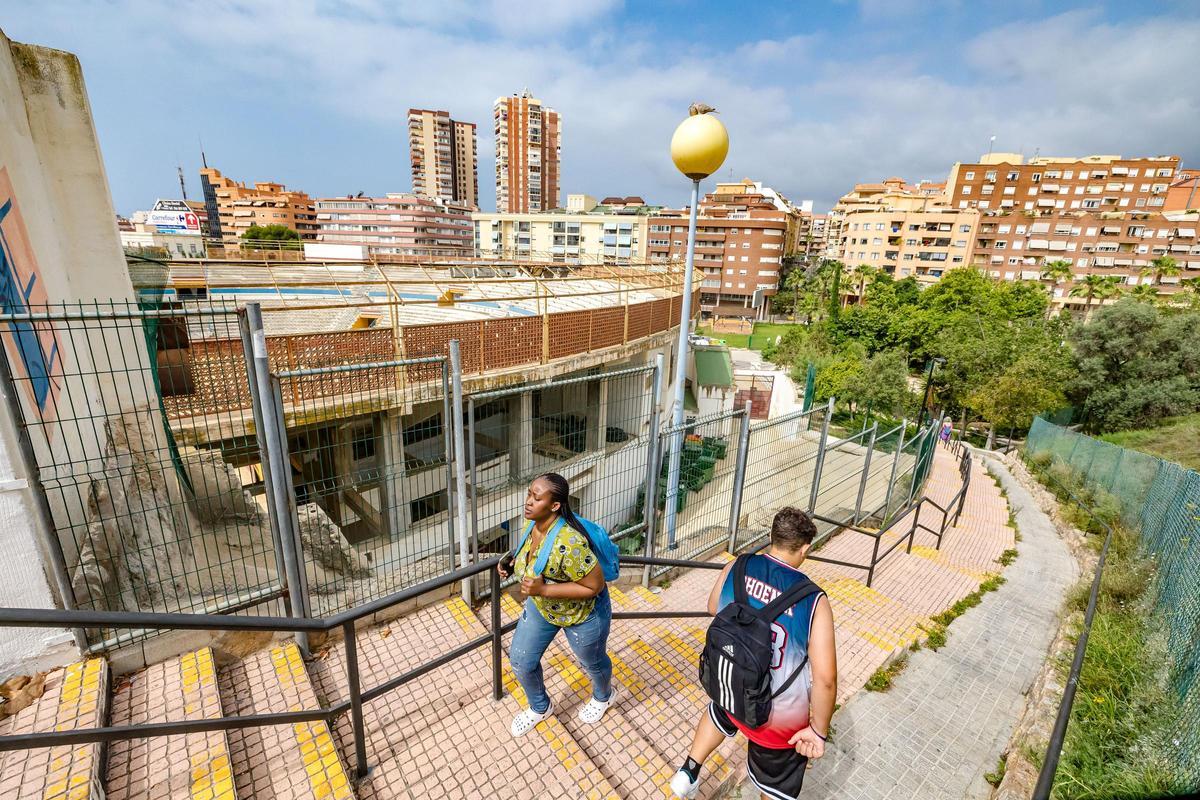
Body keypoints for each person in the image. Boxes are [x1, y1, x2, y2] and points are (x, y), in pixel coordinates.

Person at [670, 507, 837, 800]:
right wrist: (818, 731)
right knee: (774, 788)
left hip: (732, 684)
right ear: (806, 549)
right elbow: (825, 679)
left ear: (770, 536)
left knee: (719, 712)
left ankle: (689, 772)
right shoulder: (813, 599)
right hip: (777, 717)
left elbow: (714, 607)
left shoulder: (740, 564)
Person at [497, 472, 615, 737]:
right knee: (521, 661)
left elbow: (594, 586)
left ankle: (604, 695)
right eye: (529, 494)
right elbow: (536, 559)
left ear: (555, 506)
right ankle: (540, 707)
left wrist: (543, 589)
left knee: (592, 663)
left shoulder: (570, 543)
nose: (528, 502)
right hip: (543, 609)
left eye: (536, 498)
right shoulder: (534, 525)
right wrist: (511, 562)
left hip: (584, 616)